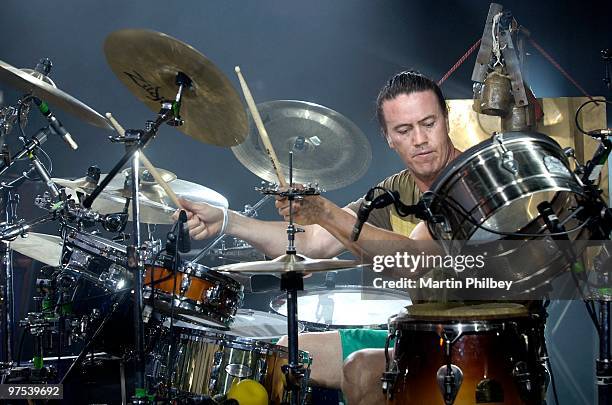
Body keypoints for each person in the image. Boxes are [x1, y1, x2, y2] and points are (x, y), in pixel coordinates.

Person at [177, 71, 461, 404]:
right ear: (388, 137)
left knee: (363, 368)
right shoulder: (395, 189)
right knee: (288, 354)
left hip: (473, 342)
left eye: (428, 124)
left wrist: (324, 211)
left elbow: (413, 260)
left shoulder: (470, 180)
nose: (419, 139)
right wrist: (227, 221)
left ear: (446, 119)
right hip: (418, 337)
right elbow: (313, 243)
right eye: (404, 129)